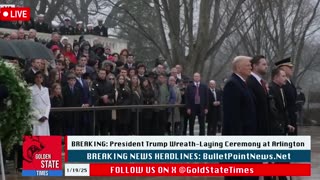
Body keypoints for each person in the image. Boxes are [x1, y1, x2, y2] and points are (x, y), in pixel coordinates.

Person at [222, 56, 258, 180]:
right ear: (238, 67)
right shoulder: (232, 84)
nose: (251, 67)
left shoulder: (242, 83)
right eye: (248, 65)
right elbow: (233, 118)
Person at [268, 68, 295, 180]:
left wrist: (287, 123)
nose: (285, 78)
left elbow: (284, 110)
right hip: (274, 127)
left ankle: (282, 175)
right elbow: (273, 109)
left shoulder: (281, 89)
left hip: (282, 126)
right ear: (276, 77)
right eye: (283, 76)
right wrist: (279, 124)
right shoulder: (271, 89)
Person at [246, 55, 270, 135]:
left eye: (266, 64)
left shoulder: (261, 82)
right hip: (255, 129)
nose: (266, 66)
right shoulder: (249, 81)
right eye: (263, 64)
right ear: (255, 66)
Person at [276, 57, 298, 135]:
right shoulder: (282, 84)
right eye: (289, 68)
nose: (292, 69)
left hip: (292, 117)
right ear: (283, 69)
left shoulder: (289, 82)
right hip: (287, 118)